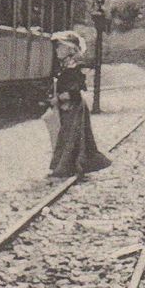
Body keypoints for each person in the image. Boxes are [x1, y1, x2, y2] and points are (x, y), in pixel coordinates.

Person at [48, 31, 112, 178]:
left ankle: (66, 167)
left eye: (59, 47)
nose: (57, 50)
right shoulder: (65, 65)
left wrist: (59, 98)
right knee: (67, 135)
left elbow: (76, 90)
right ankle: (65, 165)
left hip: (74, 107)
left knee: (71, 136)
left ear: (70, 49)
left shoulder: (75, 66)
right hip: (68, 106)